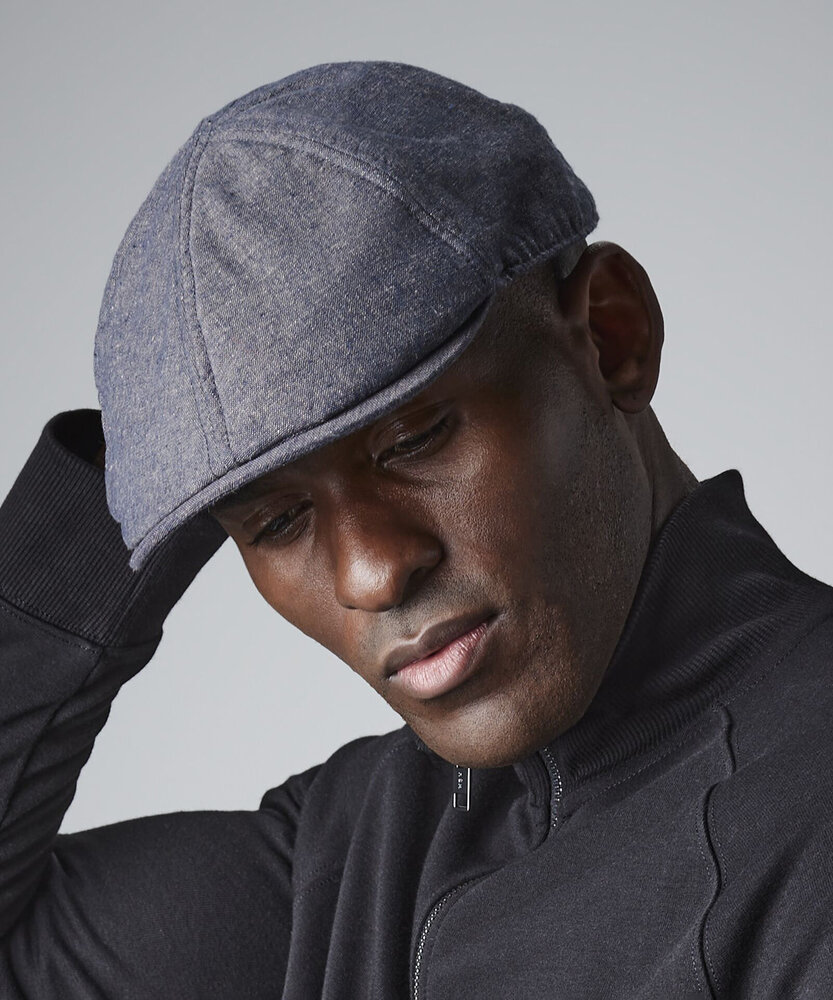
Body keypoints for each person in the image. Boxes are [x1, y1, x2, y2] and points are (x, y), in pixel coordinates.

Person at [1, 59, 831, 999]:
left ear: (610, 337)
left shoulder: (804, 819)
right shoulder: (358, 850)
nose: (370, 573)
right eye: (276, 519)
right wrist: (166, 450)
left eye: (415, 438)